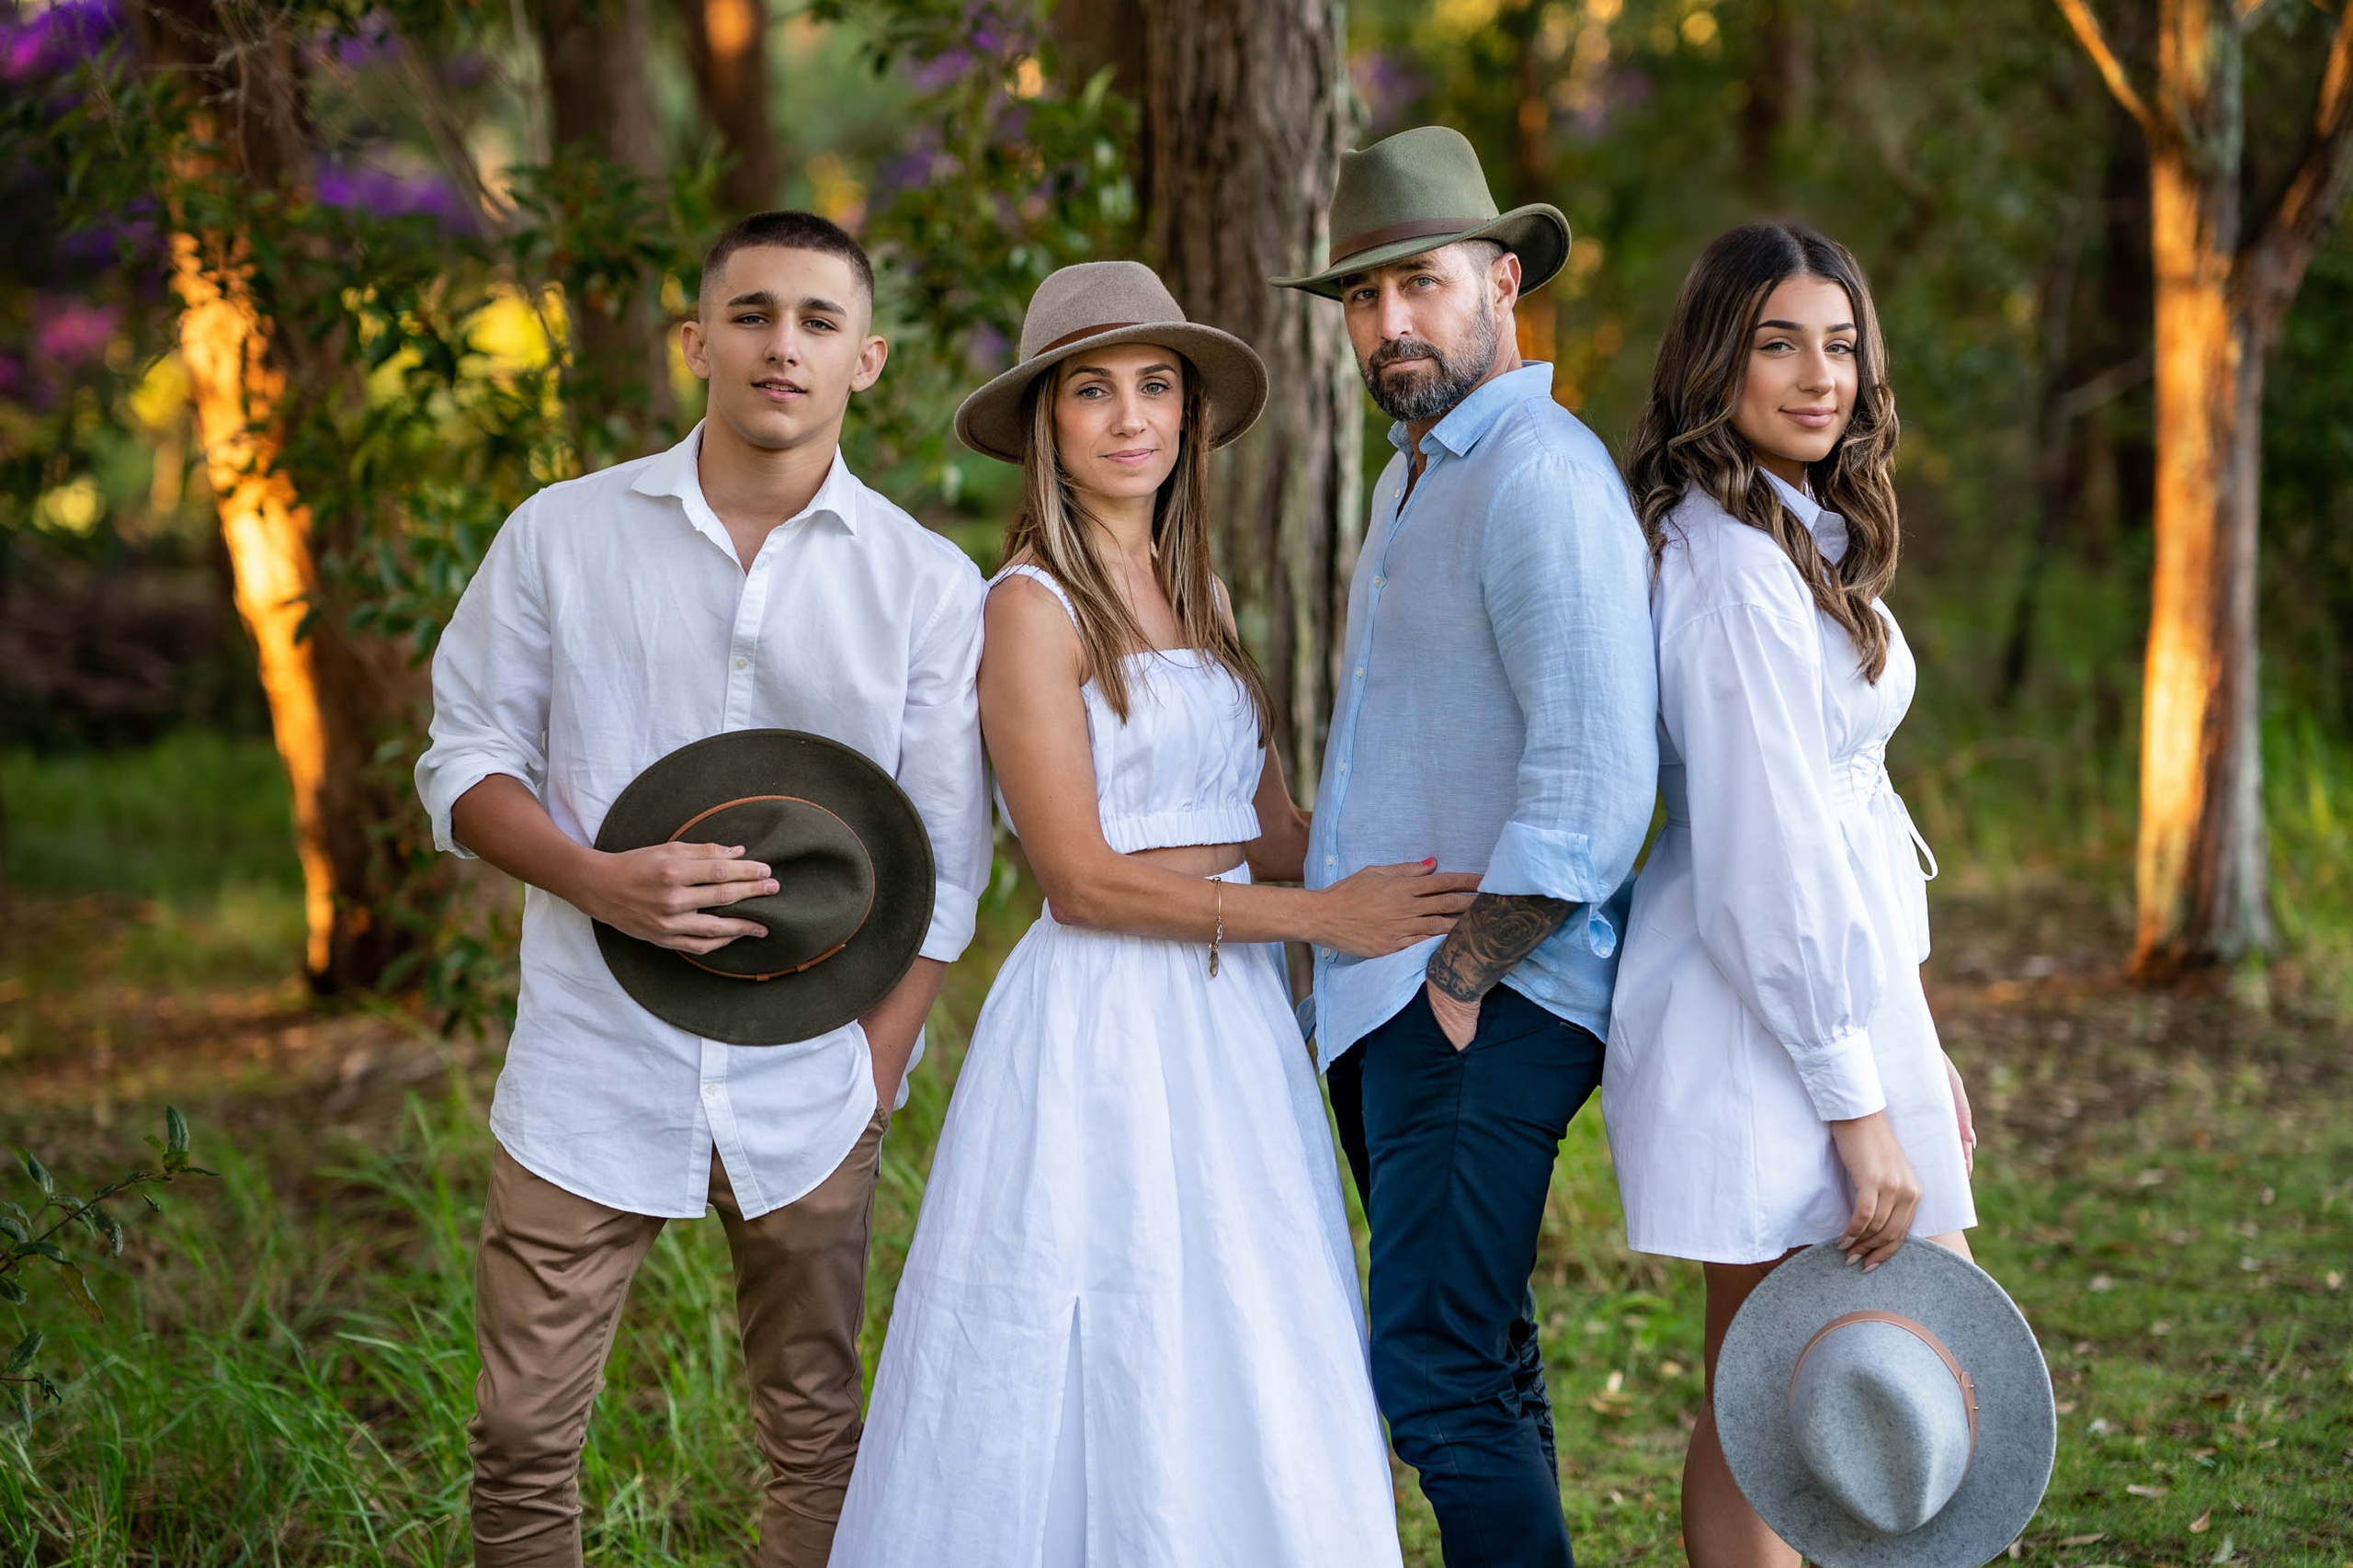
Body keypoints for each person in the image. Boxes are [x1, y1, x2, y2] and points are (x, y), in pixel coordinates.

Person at [831, 260, 1475, 1567]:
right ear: (1047, 425)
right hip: (1105, 1012)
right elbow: (1077, 873)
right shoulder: (1026, 607)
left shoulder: (1208, 600)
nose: (1131, 416)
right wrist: (1316, 917)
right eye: (1093, 390)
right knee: (1100, 1308)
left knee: (1246, 1310)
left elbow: (1281, 825)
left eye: (1157, 386)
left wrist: (1453, 846)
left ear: (1188, 416)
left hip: (1231, 1020)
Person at [413, 210, 992, 1568]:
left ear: (869, 360)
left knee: (812, 1425)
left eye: (816, 320)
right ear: (696, 342)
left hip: (813, 1070)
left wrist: (877, 1065)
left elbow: (950, 861)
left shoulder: (928, 586)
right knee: (520, 1436)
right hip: (588, 1056)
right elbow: (467, 756)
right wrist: (596, 878)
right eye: (751, 314)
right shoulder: (561, 535)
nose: (780, 344)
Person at [1273, 127, 1659, 1568]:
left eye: (1420, 285)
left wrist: (1459, 977)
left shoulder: (1539, 479)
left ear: (1502, 281)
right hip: (1405, 997)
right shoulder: (1416, 476)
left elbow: (1599, 779)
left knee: (1432, 1368)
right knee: (1479, 1358)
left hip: (1485, 995)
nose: (1389, 324)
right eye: (1364, 298)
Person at [1602, 221, 1983, 1568]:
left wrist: (1908, 1041)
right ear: (1717, 360)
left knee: (1802, 1368)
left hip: (1836, 997)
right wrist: (1855, 1100)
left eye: (1839, 345)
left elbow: (1845, 836)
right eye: (1779, 344)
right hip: (1758, 1006)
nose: (1820, 377)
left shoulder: (1796, 537)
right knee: (1765, 1378)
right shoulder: (1724, 569)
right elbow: (1766, 860)